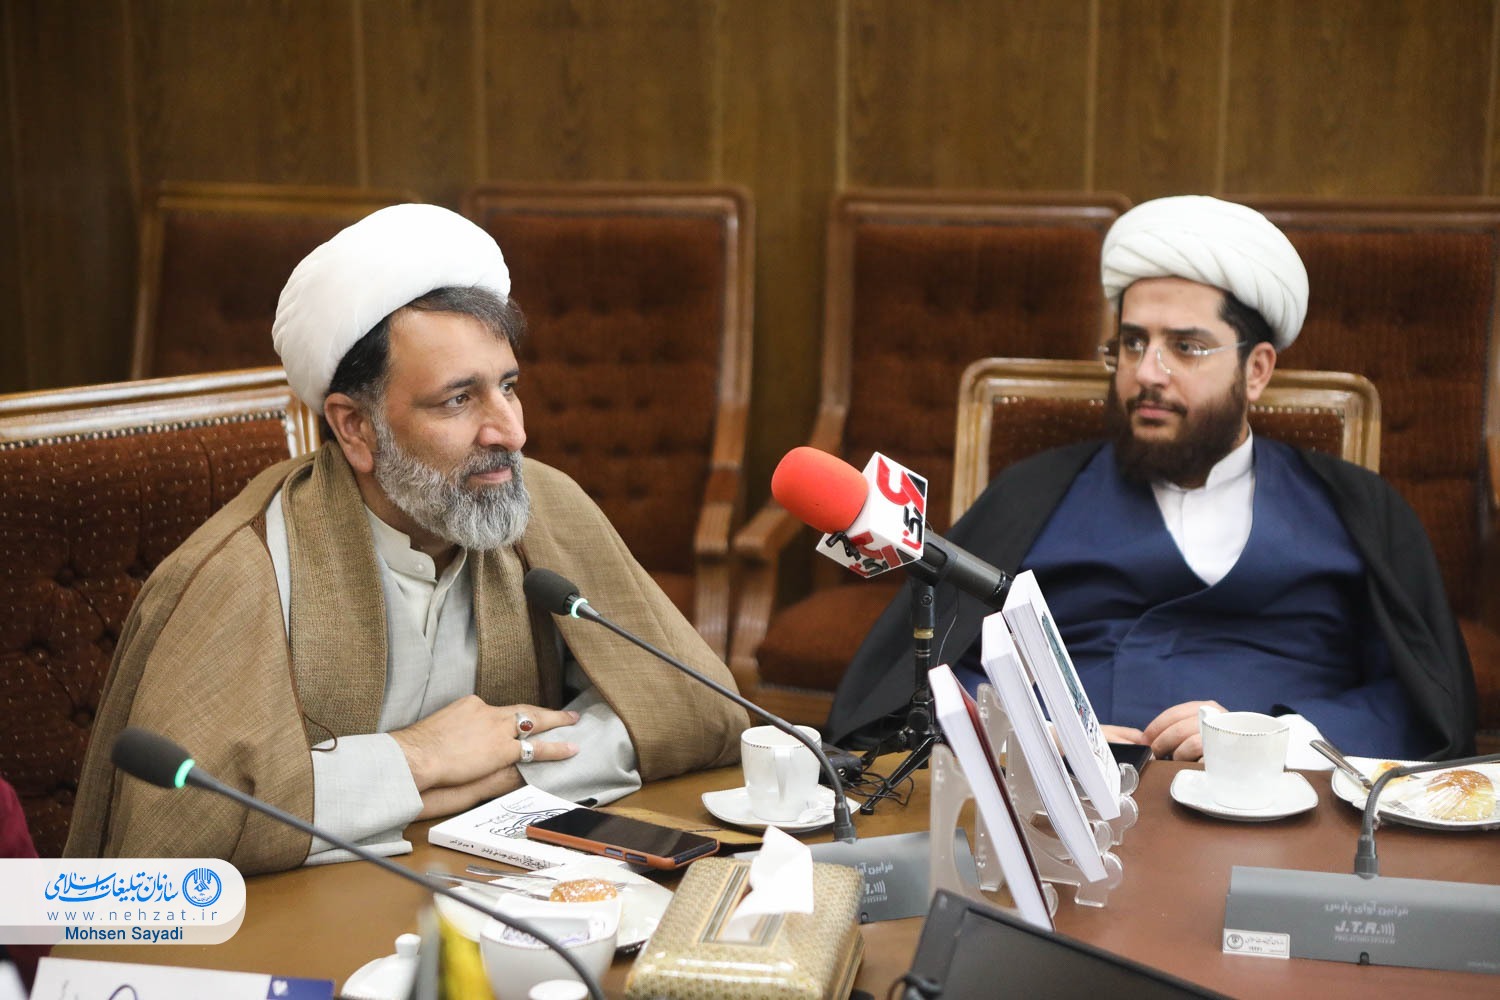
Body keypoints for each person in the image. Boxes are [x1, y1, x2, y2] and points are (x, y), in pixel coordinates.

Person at [66, 205, 747, 873]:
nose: (510, 432)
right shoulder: (247, 570)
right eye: (459, 400)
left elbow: (695, 709)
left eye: (509, 387)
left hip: (495, 891)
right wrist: (419, 759)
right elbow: (174, 834)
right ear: (355, 428)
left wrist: (506, 768)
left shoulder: (544, 507)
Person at [827, 195, 1477, 765]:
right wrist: (1019, 735)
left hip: (1279, 815)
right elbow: (927, 677)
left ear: (1256, 371)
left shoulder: (1357, 509)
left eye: (1185, 347)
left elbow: (1420, 704)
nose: (1146, 373)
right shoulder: (1034, 494)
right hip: (1056, 814)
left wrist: (1282, 739)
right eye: (1133, 344)